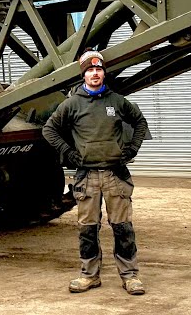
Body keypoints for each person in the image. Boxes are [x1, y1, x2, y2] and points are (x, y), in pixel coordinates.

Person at [43, 49, 151, 295]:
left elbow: (140, 122)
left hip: (115, 176)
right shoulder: (72, 104)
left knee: (123, 227)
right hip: (87, 177)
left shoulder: (117, 101)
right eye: (90, 70)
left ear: (103, 73)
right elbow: (49, 130)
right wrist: (69, 153)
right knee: (88, 229)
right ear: (84, 75)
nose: (95, 74)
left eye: (98, 69)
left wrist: (132, 148)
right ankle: (89, 275)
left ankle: (130, 276)